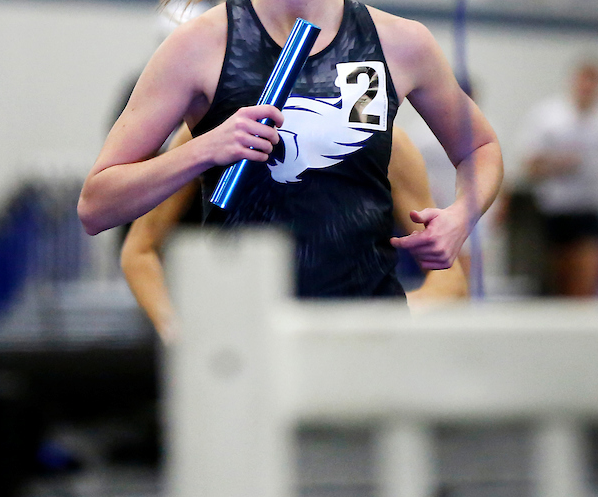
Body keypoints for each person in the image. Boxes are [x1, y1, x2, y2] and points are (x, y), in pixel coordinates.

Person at [79, 0, 502, 302]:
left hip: (363, 339)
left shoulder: (400, 44)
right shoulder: (197, 47)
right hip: (250, 345)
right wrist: (203, 150)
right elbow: (96, 206)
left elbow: (480, 147)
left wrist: (461, 217)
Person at [122, 126, 468, 342]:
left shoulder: (386, 143)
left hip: (352, 354)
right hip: (248, 347)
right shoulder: (206, 131)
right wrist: (179, 332)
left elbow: (450, 279)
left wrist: (389, 314)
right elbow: (140, 251)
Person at [519, 58, 598, 297]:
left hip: (590, 210)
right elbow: (528, 165)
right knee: (558, 285)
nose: (587, 88)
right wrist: (557, 164)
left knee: (586, 284)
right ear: (572, 82)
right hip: (554, 211)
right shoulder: (548, 116)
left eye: (593, 82)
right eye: (583, 80)